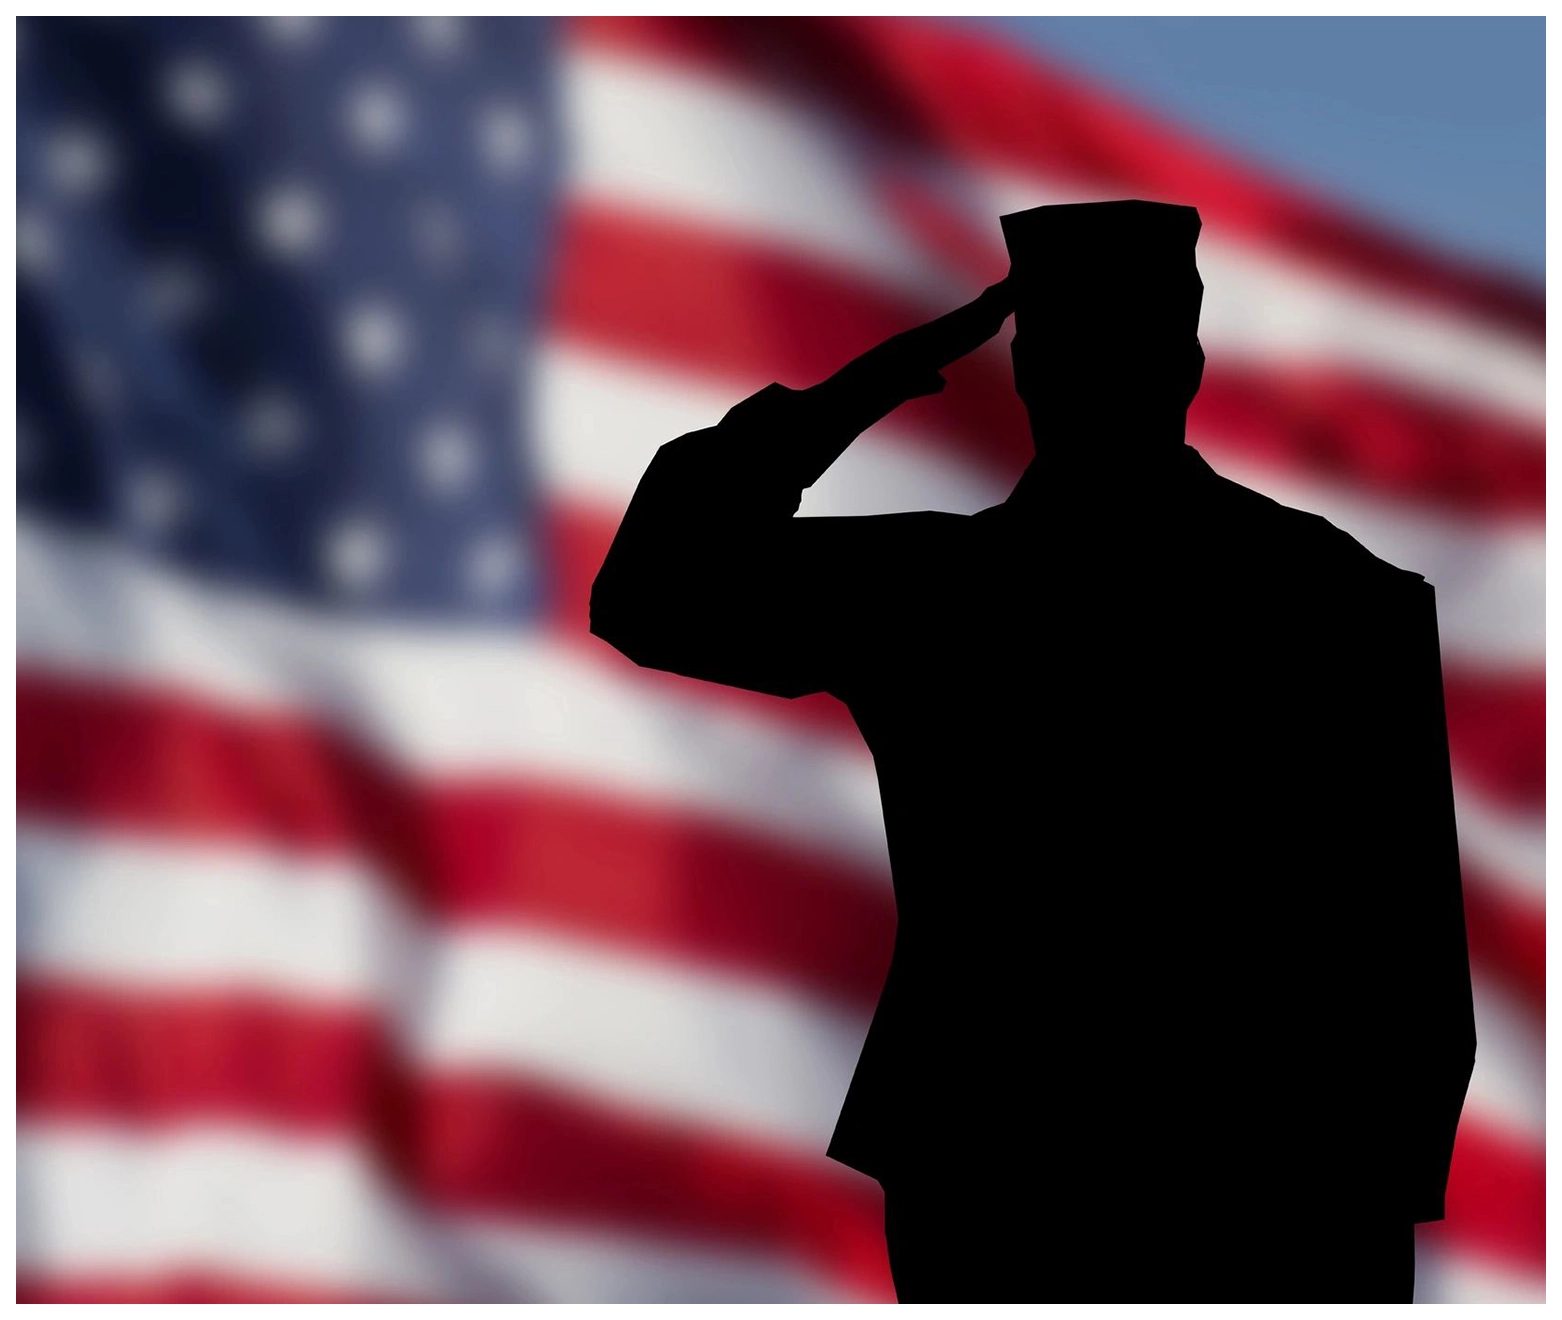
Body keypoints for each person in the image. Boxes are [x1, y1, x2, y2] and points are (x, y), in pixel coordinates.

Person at [589, 198, 1476, 1302]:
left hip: (1005, 1173)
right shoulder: (1339, 601)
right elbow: (1412, 960)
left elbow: (650, 589)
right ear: (1185, 360)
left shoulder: (935, 592)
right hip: (1264, 1194)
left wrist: (842, 402)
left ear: (1024, 371)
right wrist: (1359, 1219)